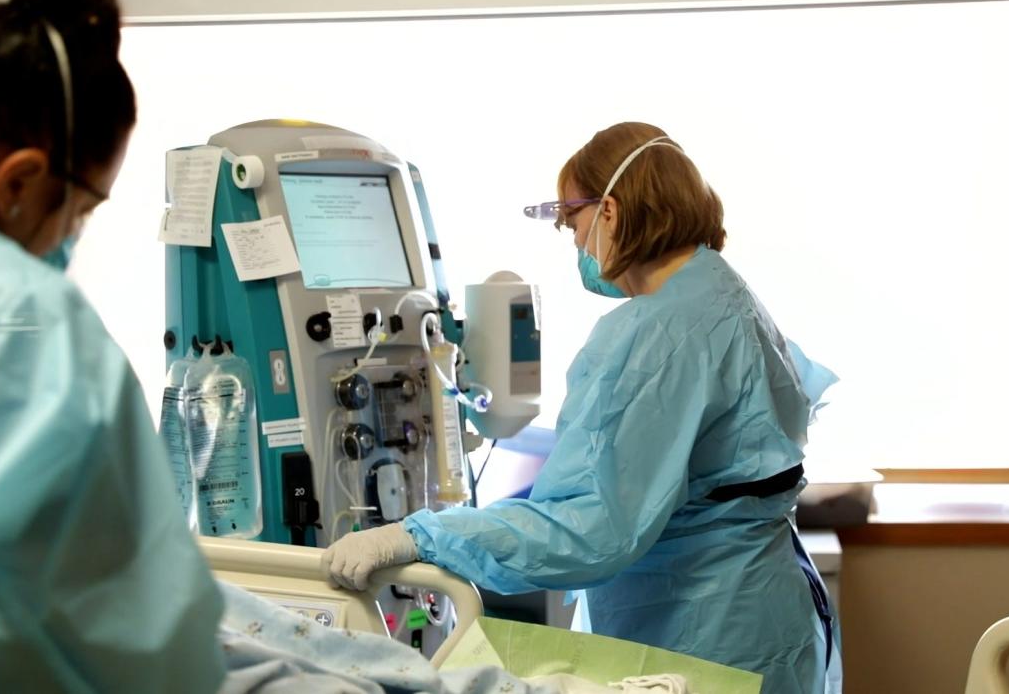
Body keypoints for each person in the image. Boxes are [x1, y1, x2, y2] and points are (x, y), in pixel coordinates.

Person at [323, 122, 844, 694]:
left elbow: (594, 528)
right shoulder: (722, 292)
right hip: (762, 610)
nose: (574, 241)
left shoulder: (656, 334)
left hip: (704, 629)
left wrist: (419, 537)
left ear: (611, 212)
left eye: (570, 220)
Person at [0, 0, 227, 691]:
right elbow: (136, 657)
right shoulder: (32, 333)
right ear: (19, 183)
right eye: (83, 208)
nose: (72, 237)